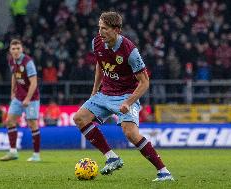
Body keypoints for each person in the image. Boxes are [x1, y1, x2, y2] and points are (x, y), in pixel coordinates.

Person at [73, 12, 174, 181]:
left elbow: (144, 82)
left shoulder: (130, 51)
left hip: (125, 95)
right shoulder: (97, 42)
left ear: (116, 30)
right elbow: (100, 63)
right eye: (99, 27)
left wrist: (129, 102)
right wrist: (94, 90)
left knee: (131, 134)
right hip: (104, 93)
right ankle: (111, 157)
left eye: (104, 28)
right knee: (79, 118)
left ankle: (164, 172)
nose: (100, 32)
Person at [0, 39, 41, 162]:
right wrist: (13, 91)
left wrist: (28, 99)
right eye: (13, 49)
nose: (16, 51)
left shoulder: (28, 62)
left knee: (32, 123)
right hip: (18, 96)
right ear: (10, 51)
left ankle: (36, 155)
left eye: (18, 48)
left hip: (31, 98)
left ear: (22, 49)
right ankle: (13, 152)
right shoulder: (11, 61)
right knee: (10, 121)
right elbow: (14, 75)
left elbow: (34, 83)